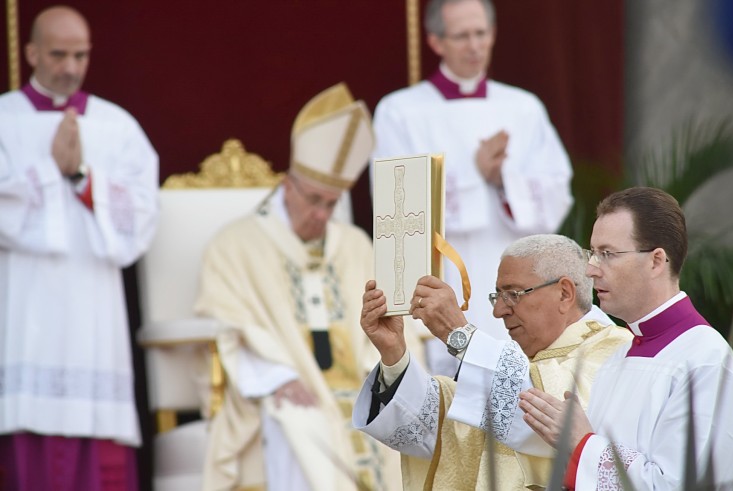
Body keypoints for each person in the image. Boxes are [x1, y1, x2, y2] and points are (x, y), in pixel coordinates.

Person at [194, 83, 423, 491]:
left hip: (361, 384)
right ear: (287, 185)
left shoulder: (354, 245)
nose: (320, 214)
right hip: (286, 387)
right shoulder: (235, 245)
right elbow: (226, 326)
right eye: (313, 199)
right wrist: (276, 378)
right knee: (302, 424)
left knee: (396, 424)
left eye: (331, 204)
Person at [480, 188, 733, 489]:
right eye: (592, 253)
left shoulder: (704, 360)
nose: (591, 269)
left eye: (607, 254)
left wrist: (581, 442)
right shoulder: (618, 357)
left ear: (656, 261)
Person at [0, 6, 159, 490]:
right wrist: (50, 170)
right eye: (59, 54)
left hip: (95, 308)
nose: (71, 67)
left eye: (81, 55)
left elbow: (143, 216)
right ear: (30, 53)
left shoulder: (117, 126)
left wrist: (81, 177)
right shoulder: (5, 118)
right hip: (26, 304)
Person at [371, 0, 573, 375]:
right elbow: (396, 206)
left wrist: (502, 179)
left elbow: (557, 192)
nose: (474, 46)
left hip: (514, 276)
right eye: (461, 36)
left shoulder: (524, 107)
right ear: (435, 41)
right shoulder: (399, 112)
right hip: (445, 272)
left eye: (481, 34)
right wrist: (475, 175)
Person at [353, 234, 632, 490]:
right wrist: (394, 355)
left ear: (564, 293)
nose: (499, 311)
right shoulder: (516, 362)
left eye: (513, 294)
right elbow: (428, 433)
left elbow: (539, 416)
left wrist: (458, 333)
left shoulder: (614, 352)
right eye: (496, 296)